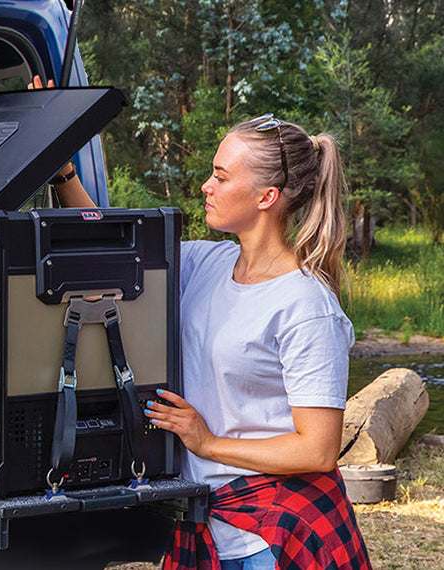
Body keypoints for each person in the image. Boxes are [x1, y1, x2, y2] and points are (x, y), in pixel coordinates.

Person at [31, 76, 370, 570]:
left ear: (266, 196)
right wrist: (64, 169)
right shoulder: (205, 263)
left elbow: (317, 449)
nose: (207, 186)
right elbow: (108, 245)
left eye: (221, 176)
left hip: (274, 533)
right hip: (205, 517)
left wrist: (206, 442)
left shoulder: (305, 305)